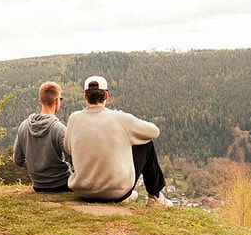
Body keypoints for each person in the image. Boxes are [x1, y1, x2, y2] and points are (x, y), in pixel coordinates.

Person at [63, 75, 172, 206]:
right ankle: (155, 197)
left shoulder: (74, 118)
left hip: (83, 191)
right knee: (146, 142)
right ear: (106, 95)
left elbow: (67, 148)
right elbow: (154, 131)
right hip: (116, 191)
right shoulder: (120, 118)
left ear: (85, 96)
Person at [13, 81, 72, 192]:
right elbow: (73, 157)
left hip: (38, 185)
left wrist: (35, 165)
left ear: (40, 101)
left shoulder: (24, 126)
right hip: (62, 183)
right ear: (56, 101)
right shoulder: (59, 129)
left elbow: (18, 160)